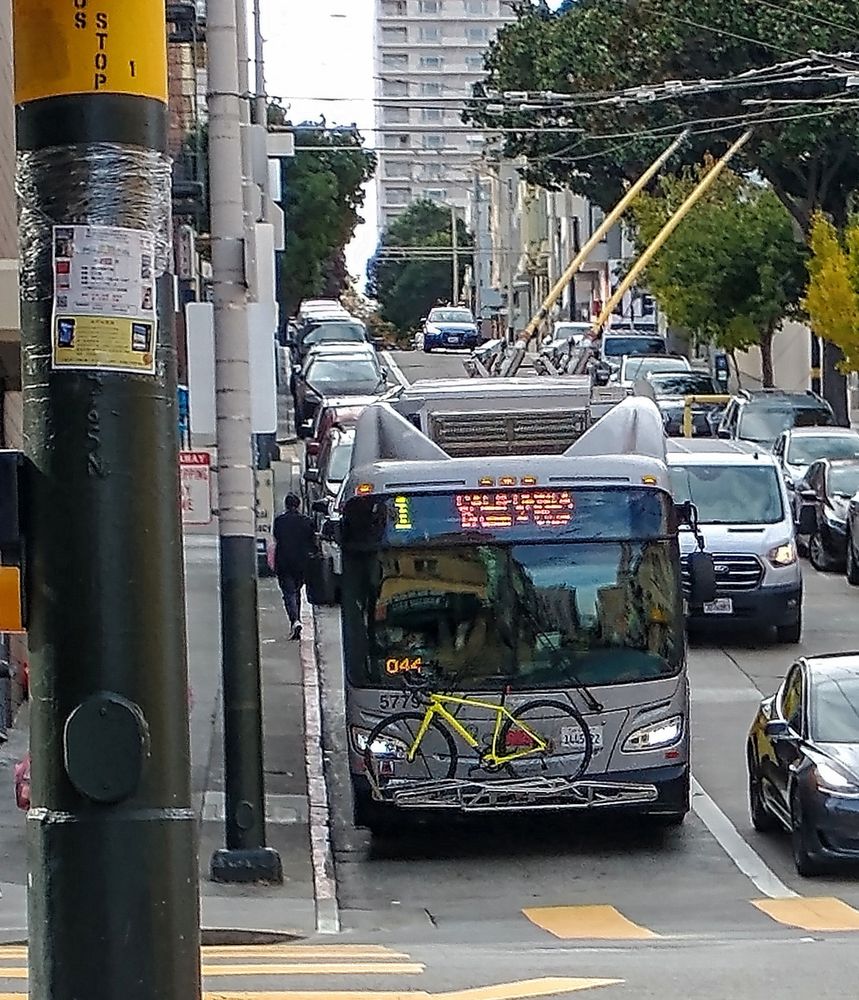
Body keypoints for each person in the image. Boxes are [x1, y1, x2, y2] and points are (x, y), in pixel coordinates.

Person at [273, 493, 316, 639]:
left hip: (284, 561)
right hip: (301, 562)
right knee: (297, 590)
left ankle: (295, 620)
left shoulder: (279, 521)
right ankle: (296, 619)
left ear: (286, 505)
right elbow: (312, 541)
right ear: (299, 505)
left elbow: (277, 537)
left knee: (288, 592)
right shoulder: (307, 521)